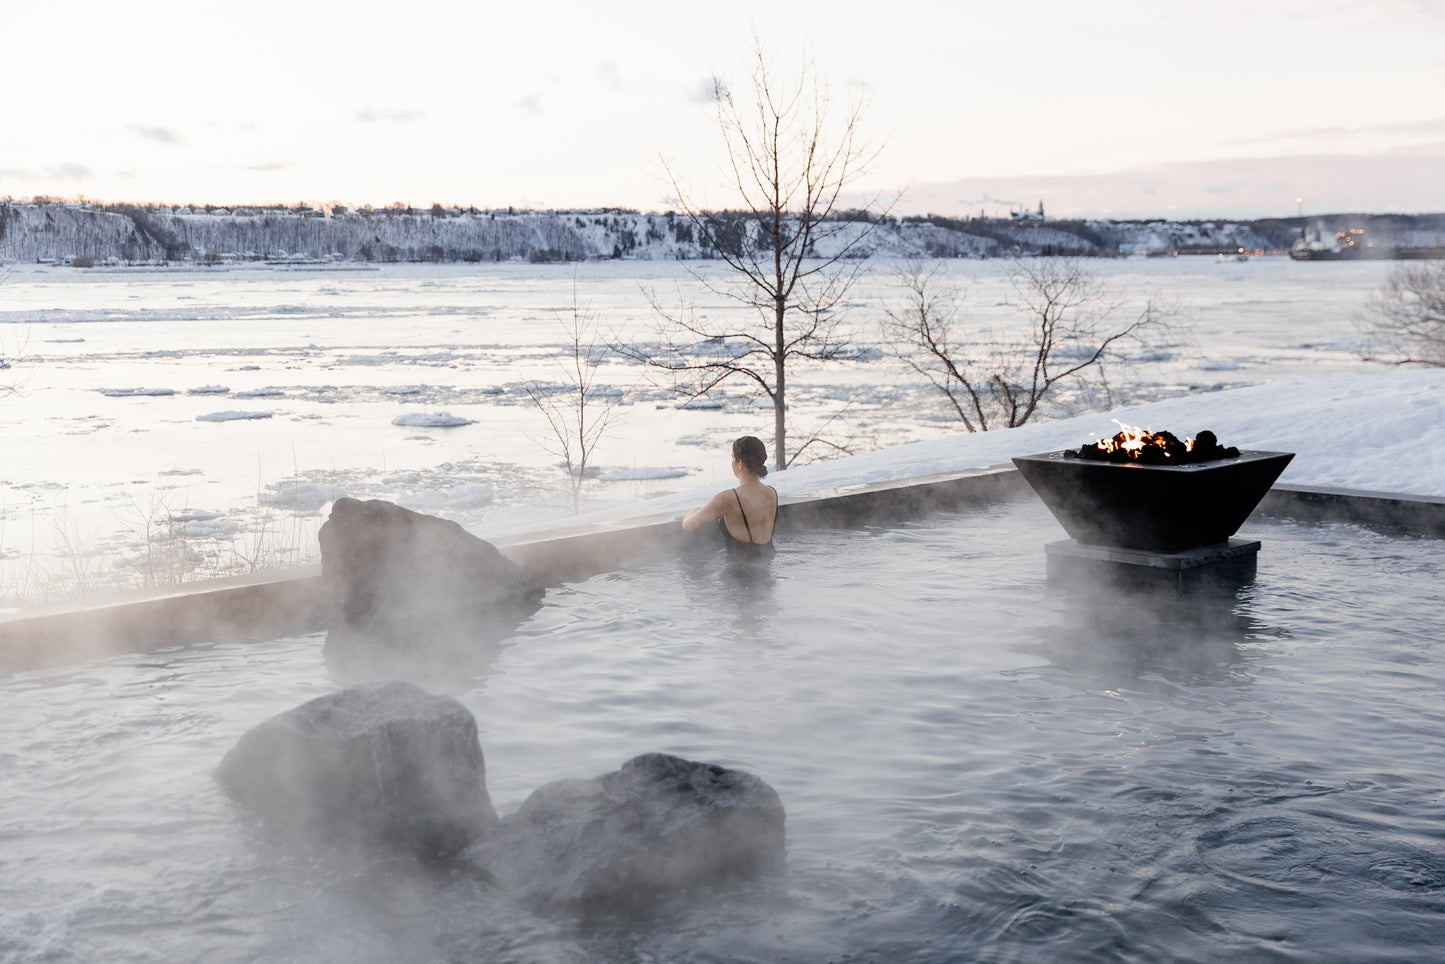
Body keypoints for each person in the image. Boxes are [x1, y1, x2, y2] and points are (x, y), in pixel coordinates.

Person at [682, 435, 778, 554]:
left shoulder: (728, 498)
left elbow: (688, 525)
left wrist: (693, 511)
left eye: (733, 458)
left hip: (739, 570)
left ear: (740, 463)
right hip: (768, 564)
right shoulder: (772, 493)